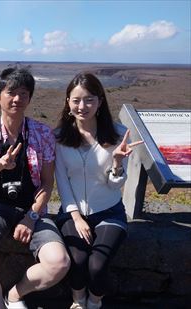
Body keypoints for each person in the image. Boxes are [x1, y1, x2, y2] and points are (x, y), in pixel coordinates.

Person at [0, 67, 70, 309]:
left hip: (31, 208)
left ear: (30, 97)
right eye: (10, 92)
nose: (17, 99)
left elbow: (46, 182)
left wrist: (32, 217)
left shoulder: (42, 134)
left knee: (59, 263)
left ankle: (14, 294)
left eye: (23, 93)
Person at [54, 72, 143, 309]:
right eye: (76, 100)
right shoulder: (59, 137)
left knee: (97, 265)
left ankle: (94, 302)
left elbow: (116, 185)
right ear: (68, 102)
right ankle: (78, 301)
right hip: (73, 213)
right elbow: (61, 180)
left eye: (89, 99)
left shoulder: (117, 134)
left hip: (109, 212)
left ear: (100, 102)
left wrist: (116, 163)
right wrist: (75, 216)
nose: (82, 106)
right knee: (78, 260)